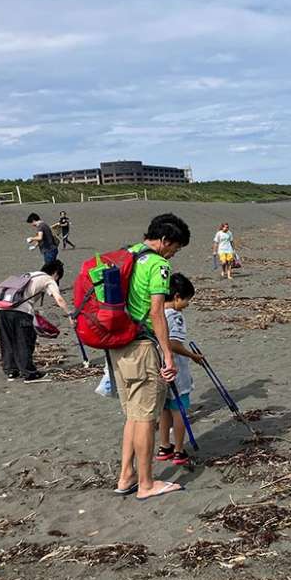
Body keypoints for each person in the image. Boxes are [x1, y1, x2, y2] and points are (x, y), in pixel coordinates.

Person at [112, 213, 189, 500]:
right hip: (142, 345)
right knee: (145, 417)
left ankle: (126, 476)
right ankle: (146, 484)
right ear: (165, 240)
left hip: (118, 343)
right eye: (175, 248)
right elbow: (157, 311)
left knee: (132, 415)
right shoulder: (158, 264)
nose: (173, 254)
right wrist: (168, 355)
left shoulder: (128, 254)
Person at [0, 259, 74, 382]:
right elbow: (59, 299)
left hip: (3, 309)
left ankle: (11, 371)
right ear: (56, 273)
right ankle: (29, 374)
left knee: (8, 340)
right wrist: (70, 314)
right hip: (21, 312)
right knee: (24, 341)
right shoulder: (49, 279)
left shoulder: (30, 275)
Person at [156, 273, 204, 468]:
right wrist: (192, 355)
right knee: (180, 411)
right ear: (176, 297)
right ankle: (178, 450)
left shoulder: (155, 312)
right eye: (186, 300)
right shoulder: (175, 316)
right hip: (176, 372)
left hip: (160, 370)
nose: (187, 304)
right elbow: (173, 343)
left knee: (165, 409)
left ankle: (164, 446)